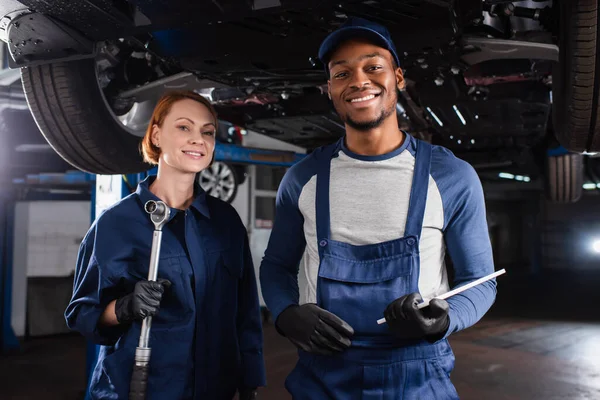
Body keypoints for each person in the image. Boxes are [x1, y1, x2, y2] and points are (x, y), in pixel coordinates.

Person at [260, 17, 497, 399]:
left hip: (418, 377)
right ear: (330, 89)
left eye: (373, 67)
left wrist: (444, 321)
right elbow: (276, 266)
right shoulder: (303, 178)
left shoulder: (451, 175)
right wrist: (286, 314)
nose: (358, 81)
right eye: (342, 73)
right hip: (323, 376)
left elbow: (481, 281)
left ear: (398, 78)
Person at [65, 90, 265, 400]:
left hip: (214, 389)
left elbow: (246, 310)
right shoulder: (117, 223)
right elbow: (83, 314)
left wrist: (250, 381)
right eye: (184, 127)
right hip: (139, 388)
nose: (198, 139)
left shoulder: (225, 221)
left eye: (207, 131)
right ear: (156, 135)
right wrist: (125, 307)